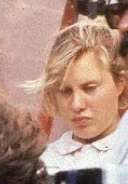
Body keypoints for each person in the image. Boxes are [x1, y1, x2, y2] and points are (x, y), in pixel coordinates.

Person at [32, 19, 128, 175]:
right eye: (65, 91)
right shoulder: (41, 164)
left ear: (119, 84)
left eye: (89, 88)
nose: (77, 104)